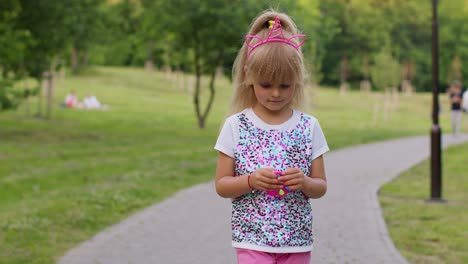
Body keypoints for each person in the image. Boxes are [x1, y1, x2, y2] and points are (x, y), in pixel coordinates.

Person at [214, 10, 329, 264]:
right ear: (249, 77)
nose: (275, 93)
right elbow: (222, 184)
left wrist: (305, 182)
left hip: (296, 241)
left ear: (297, 81)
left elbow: (321, 186)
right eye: (266, 85)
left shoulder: (309, 127)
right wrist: (251, 180)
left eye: (285, 85)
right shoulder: (236, 126)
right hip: (252, 239)